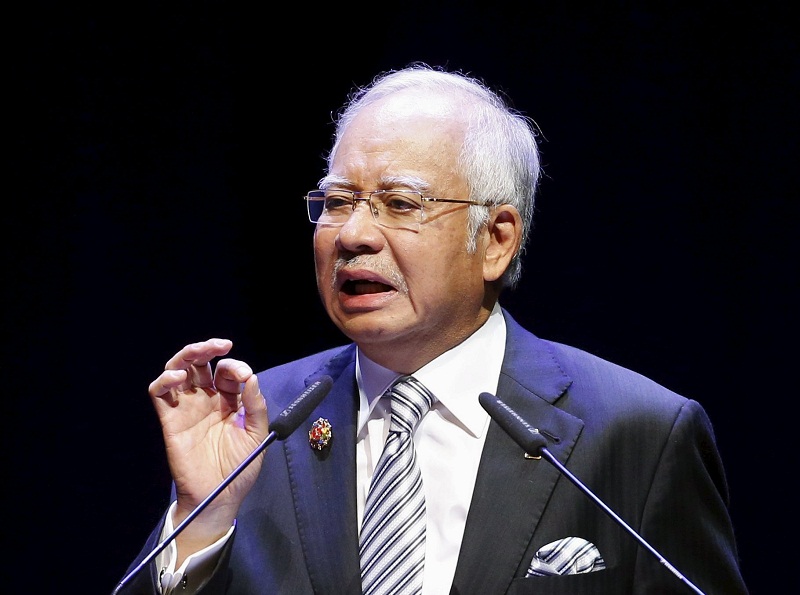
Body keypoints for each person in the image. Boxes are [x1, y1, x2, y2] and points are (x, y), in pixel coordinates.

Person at [115, 63, 748, 594]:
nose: (354, 235)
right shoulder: (256, 426)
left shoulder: (637, 433)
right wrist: (201, 518)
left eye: (400, 204)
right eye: (337, 202)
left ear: (495, 240)